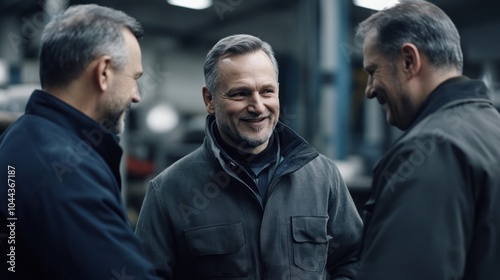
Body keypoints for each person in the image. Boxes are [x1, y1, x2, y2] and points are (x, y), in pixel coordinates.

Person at [134, 34, 363, 279]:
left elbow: (354, 259)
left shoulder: (322, 177)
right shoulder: (169, 190)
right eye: (240, 94)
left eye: (267, 91)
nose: (257, 106)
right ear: (209, 100)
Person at [0, 4, 160, 279]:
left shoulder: (23, 136)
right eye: (135, 79)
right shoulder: (63, 168)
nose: (136, 96)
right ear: (104, 72)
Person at [354, 1, 500, 279]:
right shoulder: (491, 129)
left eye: (373, 71)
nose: (370, 91)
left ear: (409, 61)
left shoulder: (430, 150)